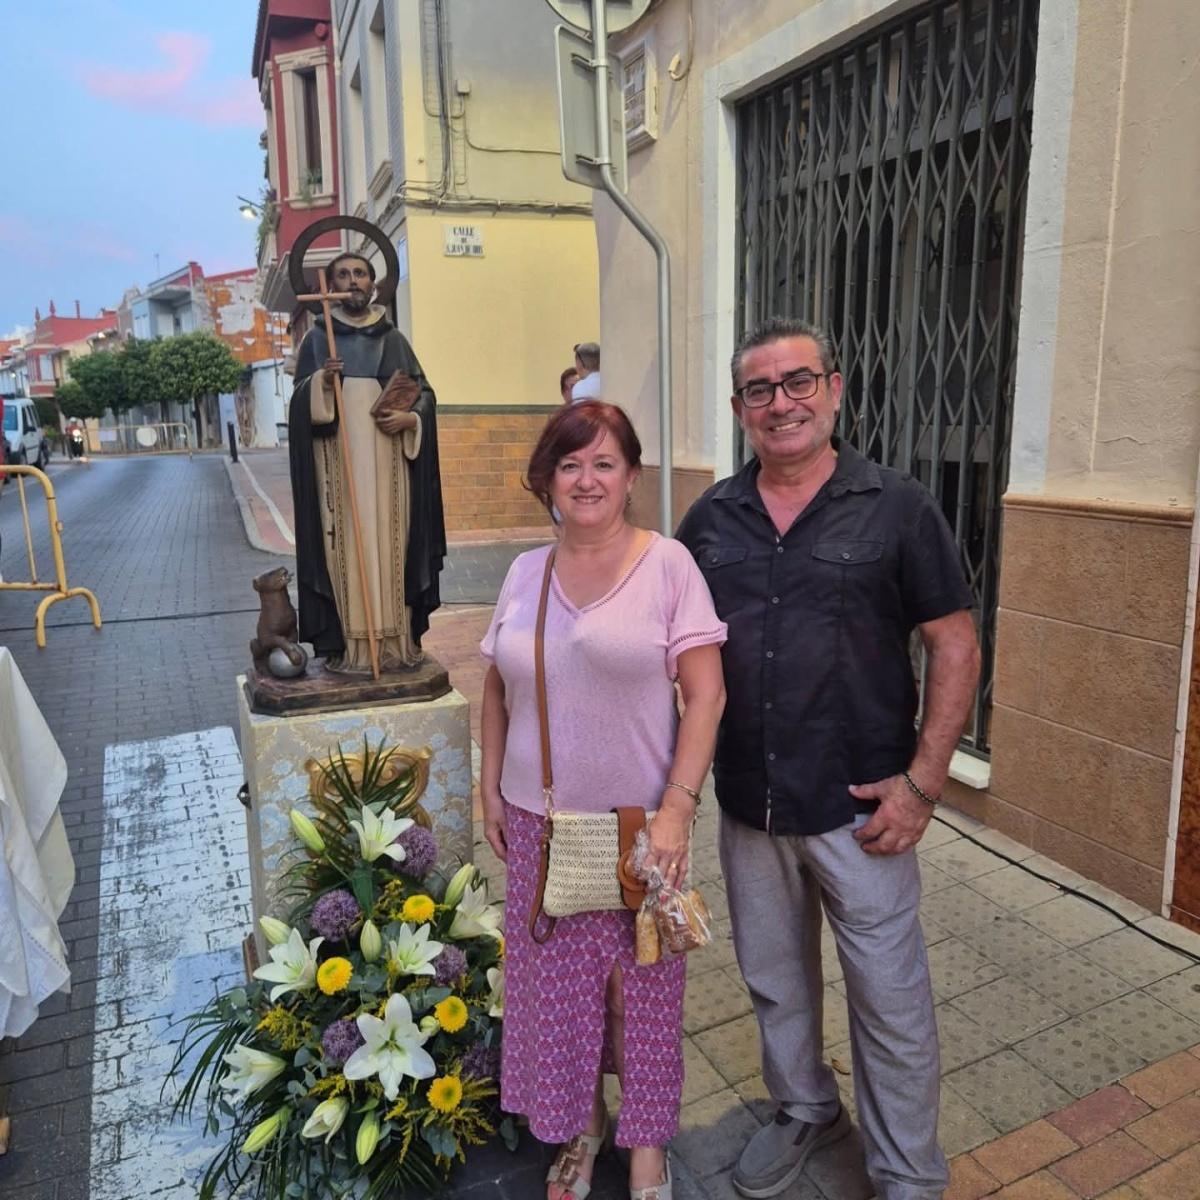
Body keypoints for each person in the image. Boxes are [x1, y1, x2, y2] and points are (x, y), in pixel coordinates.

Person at [676, 317, 981, 1200]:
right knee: (774, 980)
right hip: (750, 803)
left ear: (835, 390)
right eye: (762, 390)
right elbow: (675, 651)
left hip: (864, 809)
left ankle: (909, 1175)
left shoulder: (897, 506)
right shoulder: (712, 519)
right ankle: (808, 1109)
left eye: (799, 382)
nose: (783, 403)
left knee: (889, 1001)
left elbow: (954, 646)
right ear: (740, 409)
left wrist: (924, 786)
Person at [480, 401, 727, 1200]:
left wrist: (678, 813)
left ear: (630, 476)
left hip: (639, 832)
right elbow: (497, 684)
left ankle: (647, 1147)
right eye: (570, 464)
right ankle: (580, 1132)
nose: (587, 479)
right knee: (556, 1003)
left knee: (645, 999)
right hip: (538, 824)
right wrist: (489, 786)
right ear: (548, 479)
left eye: (605, 463)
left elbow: (708, 695)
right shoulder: (526, 573)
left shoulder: (668, 566)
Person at [288, 252, 446, 674]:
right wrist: (321, 382)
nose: (352, 281)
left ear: (374, 283)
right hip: (338, 469)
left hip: (390, 467)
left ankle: (396, 643)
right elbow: (299, 404)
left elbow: (424, 395)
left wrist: (410, 418)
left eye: (360, 274)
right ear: (332, 284)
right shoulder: (319, 339)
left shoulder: (392, 338)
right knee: (346, 547)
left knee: (391, 545)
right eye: (343, 274)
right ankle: (353, 648)